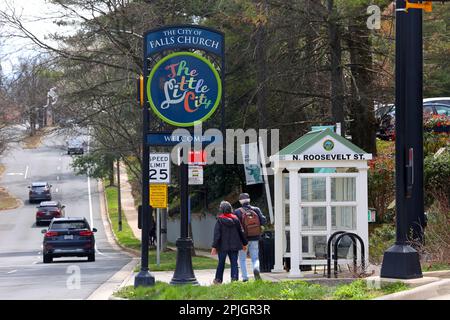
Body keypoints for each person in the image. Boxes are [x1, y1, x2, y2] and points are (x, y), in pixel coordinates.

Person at [211, 201, 248, 284]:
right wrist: (244, 243)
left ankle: (218, 280)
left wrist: (214, 247)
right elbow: (241, 232)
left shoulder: (219, 220)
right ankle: (234, 280)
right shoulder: (236, 219)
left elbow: (217, 235)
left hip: (222, 247)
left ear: (221, 210)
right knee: (234, 263)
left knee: (221, 263)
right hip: (234, 246)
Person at [234, 193, 267, 281]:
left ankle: (245, 277)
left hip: (243, 240)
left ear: (240, 201)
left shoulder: (237, 211)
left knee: (242, 259)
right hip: (255, 237)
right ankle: (256, 269)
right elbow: (263, 220)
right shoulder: (256, 209)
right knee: (255, 258)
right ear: (249, 200)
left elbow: (236, 226)